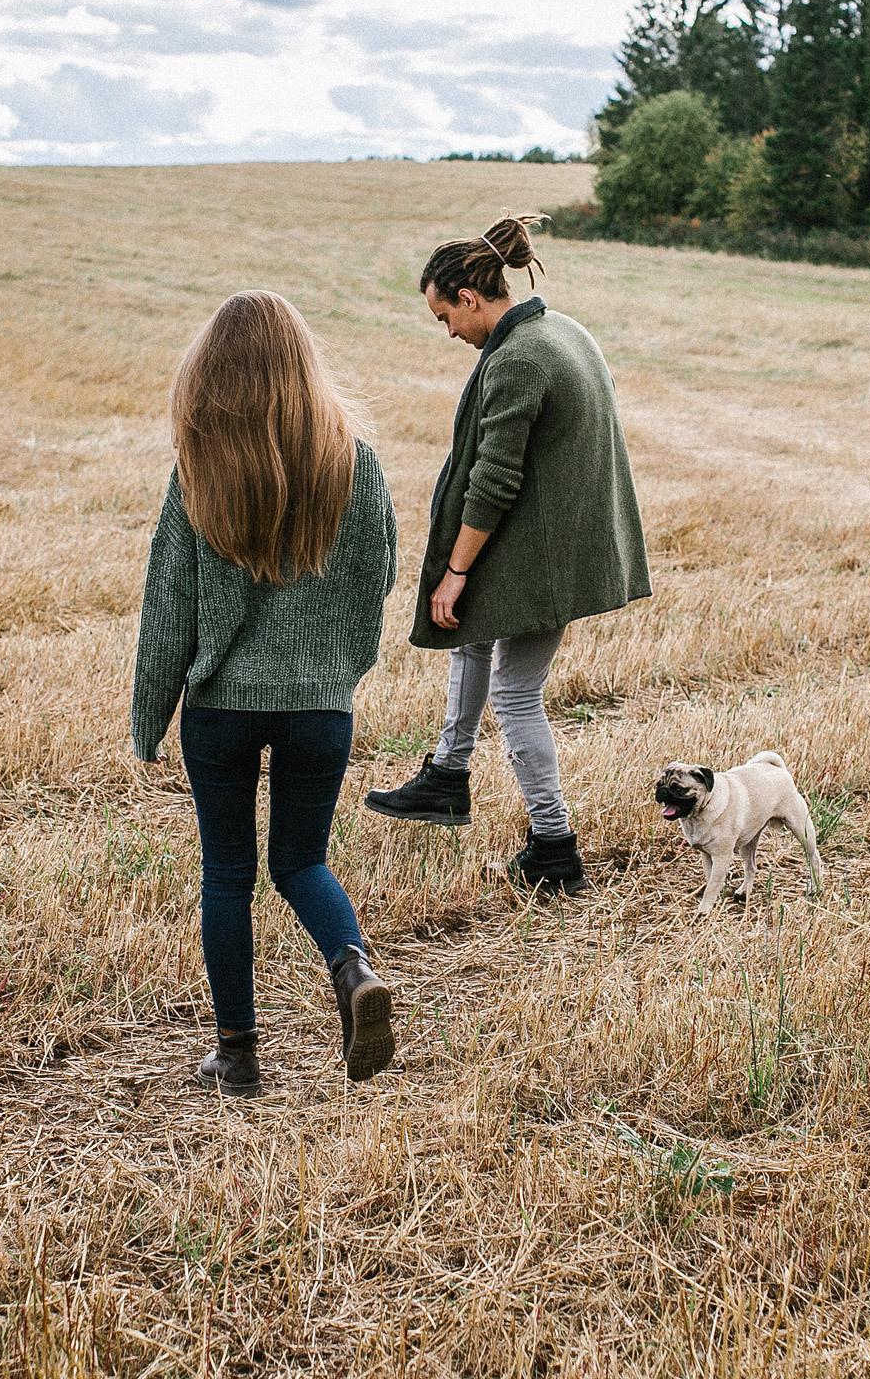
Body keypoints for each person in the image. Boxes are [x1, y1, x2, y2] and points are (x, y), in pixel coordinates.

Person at [131, 290, 399, 1097]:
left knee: (227, 875)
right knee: (301, 860)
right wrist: (339, 668)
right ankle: (352, 971)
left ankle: (239, 1054)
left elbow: (167, 605)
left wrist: (148, 716)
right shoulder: (356, 462)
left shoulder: (200, 474)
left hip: (222, 711)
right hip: (320, 706)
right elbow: (378, 576)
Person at [363, 215, 650, 895]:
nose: (449, 332)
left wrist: (455, 570)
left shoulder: (518, 357)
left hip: (544, 559)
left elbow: (495, 479)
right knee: (469, 638)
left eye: (444, 318)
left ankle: (554, 847)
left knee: (517, 696)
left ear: (469, 296)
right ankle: (447, 776)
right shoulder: (562, 330)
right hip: (562, 547)